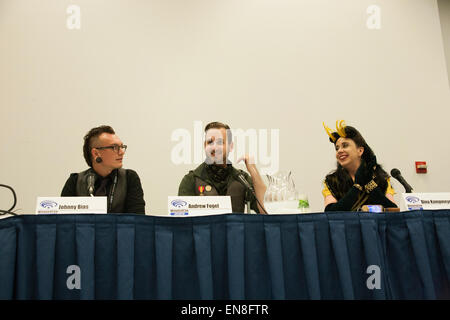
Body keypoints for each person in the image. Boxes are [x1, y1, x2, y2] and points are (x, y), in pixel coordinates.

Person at [178, 121, 267, 214]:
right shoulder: (191, 180)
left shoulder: (242, 179)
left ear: (230, 146)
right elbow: (182, 222)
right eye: (210, 142)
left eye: (220, 142)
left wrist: (253, 170)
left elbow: (266, 211)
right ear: (205, 146)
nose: (214, 147)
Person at [61, 125, 146, 214]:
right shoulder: (75, 181)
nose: (121, 152)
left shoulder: (129, 178)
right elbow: (64, 222)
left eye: (122, 147)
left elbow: (137, 221)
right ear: (96, 153)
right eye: (114, 147)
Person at [322, 121, 397, 212]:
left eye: (345, 145)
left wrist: (370, 184)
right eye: (337, 148)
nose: (339, 151)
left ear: (360, 151)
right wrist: (357, 186)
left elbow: (393, 210)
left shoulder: (380, 178)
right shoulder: (332, 181)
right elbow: (330, 213)